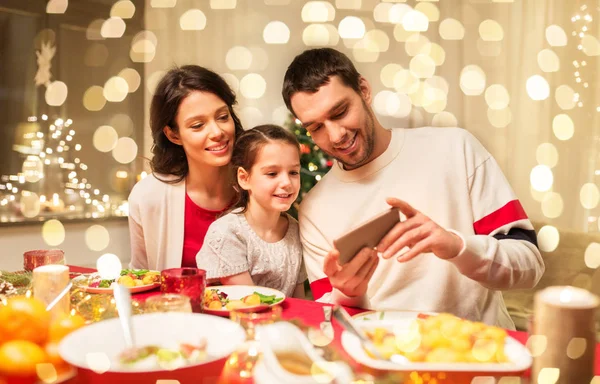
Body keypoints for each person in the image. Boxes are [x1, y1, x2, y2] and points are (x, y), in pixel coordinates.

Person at [282, 48, 544, 328]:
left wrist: (456, 246)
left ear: (364, 90)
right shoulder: (314, 208)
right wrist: (348, 292)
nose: (335, 135)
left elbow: (530, 266)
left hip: (478, 353)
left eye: (341, 112)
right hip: (386, 361)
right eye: (316, 127)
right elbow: (329, 319)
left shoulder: (455, 148)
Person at [128, 65, 244, 271]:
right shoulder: (148, 196)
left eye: (223, 117)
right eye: (198, 125)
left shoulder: (260, 184)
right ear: (173, 135)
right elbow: (141, 277)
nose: (217, 132)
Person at [196, 125, 306, 298]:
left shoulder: (296, 230)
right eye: (272, 173)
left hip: (284, 323)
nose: (286, 182)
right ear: (244, 178)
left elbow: (300, 302)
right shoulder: (227, 233)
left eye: (293, 172)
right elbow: (249, 303)